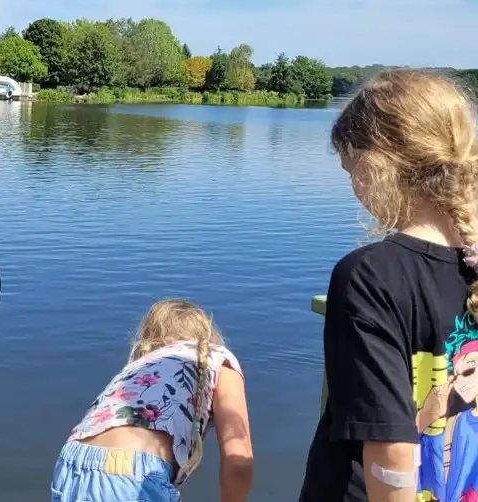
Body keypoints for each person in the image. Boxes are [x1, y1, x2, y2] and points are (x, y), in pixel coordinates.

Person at [298, 69, 478, 502]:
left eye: (350, 170)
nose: (354, 188)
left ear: (375, 167)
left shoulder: (369, 276)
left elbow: (390, 451)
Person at [52, 298, 253, 502]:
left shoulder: (139, 366)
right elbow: (238, 460)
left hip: (70, 462)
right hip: (132, 472)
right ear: (209, 334)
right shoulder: (219, 359)